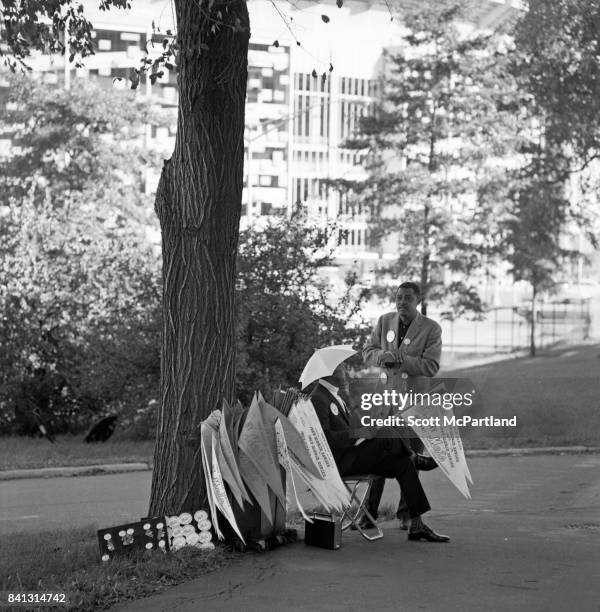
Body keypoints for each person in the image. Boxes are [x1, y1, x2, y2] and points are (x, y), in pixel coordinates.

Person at [309, 366, 449, 542]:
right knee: (386, 434)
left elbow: (349, 428)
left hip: (352, 455)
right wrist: (359, 433)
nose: (345, 374)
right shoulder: (318, 398)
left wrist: (366, 427)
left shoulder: (336, 395)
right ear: (330, 373)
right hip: (340, 463)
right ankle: (415, 457)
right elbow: (326, 439)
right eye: (341, 370)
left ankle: (417, 526)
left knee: (403, 464)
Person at [362, 281, 442, 529]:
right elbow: (368, 351)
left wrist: (402, 361)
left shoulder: (431, 328)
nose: (401, 302)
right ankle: (368, 515)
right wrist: (381, 357)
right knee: (376, 457)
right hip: (384, 404)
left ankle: (406, 515)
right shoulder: (385, 321)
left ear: (417, 300)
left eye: (407, 298)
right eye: (398, 297)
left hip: (413, 405)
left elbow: (431, 366)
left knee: (410, 459)